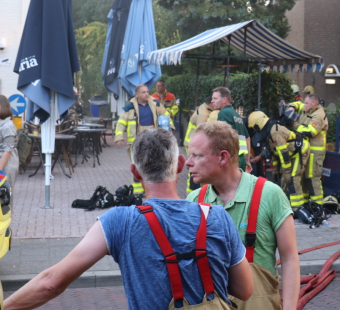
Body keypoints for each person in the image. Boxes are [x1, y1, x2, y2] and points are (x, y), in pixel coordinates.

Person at [4, 128, 253, 310]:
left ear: (135, 172)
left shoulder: (119, 222)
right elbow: (245, 290)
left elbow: (51, 283)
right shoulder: (217, 217)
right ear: (179, 165)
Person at [186, 121, 300, 309]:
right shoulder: (193, 201)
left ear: (222, 158)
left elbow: (289, 259)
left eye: (197, 156)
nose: (188, 162)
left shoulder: (270, 195)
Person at [115, 84, 173, 194]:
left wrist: (170, 128)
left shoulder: (156, 104)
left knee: (153, 165)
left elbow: (166, 116)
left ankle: (152, 190)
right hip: (137, 142)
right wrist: (119, 137)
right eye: (143, 92)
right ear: (137, 94)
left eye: (147, 91)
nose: (146, 94)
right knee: (137, 166)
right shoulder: (129, 108)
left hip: (153, 140)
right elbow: (121, 123)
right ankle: (137, 193)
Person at [248, 109, 308, 210]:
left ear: (258, 124)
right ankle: (282, 205)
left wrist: (287, 172)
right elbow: (274, 153)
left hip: (299, 151)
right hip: (290, 153)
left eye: (255, 127)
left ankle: (298, 208)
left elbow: (283, 153)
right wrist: (276, 169)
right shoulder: (268, 133)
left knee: (292, 178)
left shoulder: (275, 132)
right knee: (283, 177)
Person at [294, 93, 328, 205]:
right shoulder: (307, 110)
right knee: (303, 179)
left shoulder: (318, 115)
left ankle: (318, 206)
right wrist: (291, 107)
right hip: (306, 151)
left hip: (315, 152)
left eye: (307, 103)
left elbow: (311, 132)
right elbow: (298, 104)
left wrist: (293, 126)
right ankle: (305, 205)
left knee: (313, 179)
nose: (304, 105)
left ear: (314, 103)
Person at [211, 87, 250, 173]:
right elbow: (247, 138)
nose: (212, 101)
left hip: (231, 159)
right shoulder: (237, 115)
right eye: (212, 98)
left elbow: (223, 136)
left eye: (215, 98)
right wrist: (247, 161)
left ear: (224, 99)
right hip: (241, 159)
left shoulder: (223, 113)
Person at [184, 96, 213, 193]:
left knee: (194, 170)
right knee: (196, 170)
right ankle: (193, 195)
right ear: (211, 104)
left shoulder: (203, 108)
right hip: (195, 147)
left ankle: (192, 194)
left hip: (192, 144)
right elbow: (202, 133)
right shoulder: (203, 114)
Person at [0, 96, 19, 193]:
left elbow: (7, 150)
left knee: (4, 199)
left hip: (6, 165)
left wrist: (0, 170)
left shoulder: (7, 126)